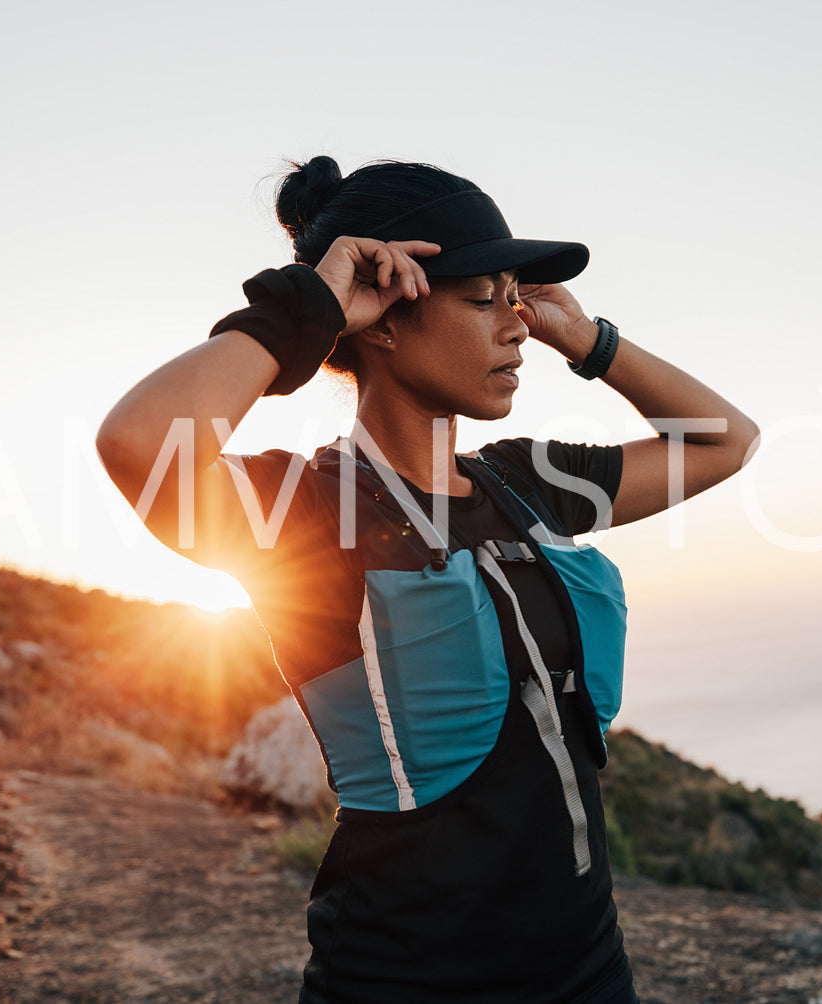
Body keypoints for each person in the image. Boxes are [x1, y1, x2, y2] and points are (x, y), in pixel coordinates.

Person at [96, 156, 759, 1004]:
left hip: (588, 971)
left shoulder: (528, 485)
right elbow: (140, 447)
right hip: (400, 980)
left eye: (516, 297)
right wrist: (307, 309)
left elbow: (722, 441)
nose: (515, 326)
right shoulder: (305, 513)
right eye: (483, 300)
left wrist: (590, 341)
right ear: (382, 320)